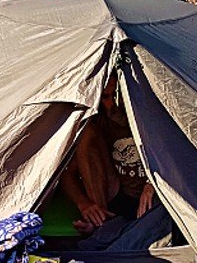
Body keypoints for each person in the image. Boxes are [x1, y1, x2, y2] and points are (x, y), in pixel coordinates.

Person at [60, 75, 156, 235]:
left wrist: (151, 184)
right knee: (86, 134)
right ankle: (100, 221)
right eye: (106, 97)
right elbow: (66, 174)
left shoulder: (148, 118)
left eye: (117, 95)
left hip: (153, 198)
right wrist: (84, 204)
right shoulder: (101, 123)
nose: (113, 104)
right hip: (117, 197)